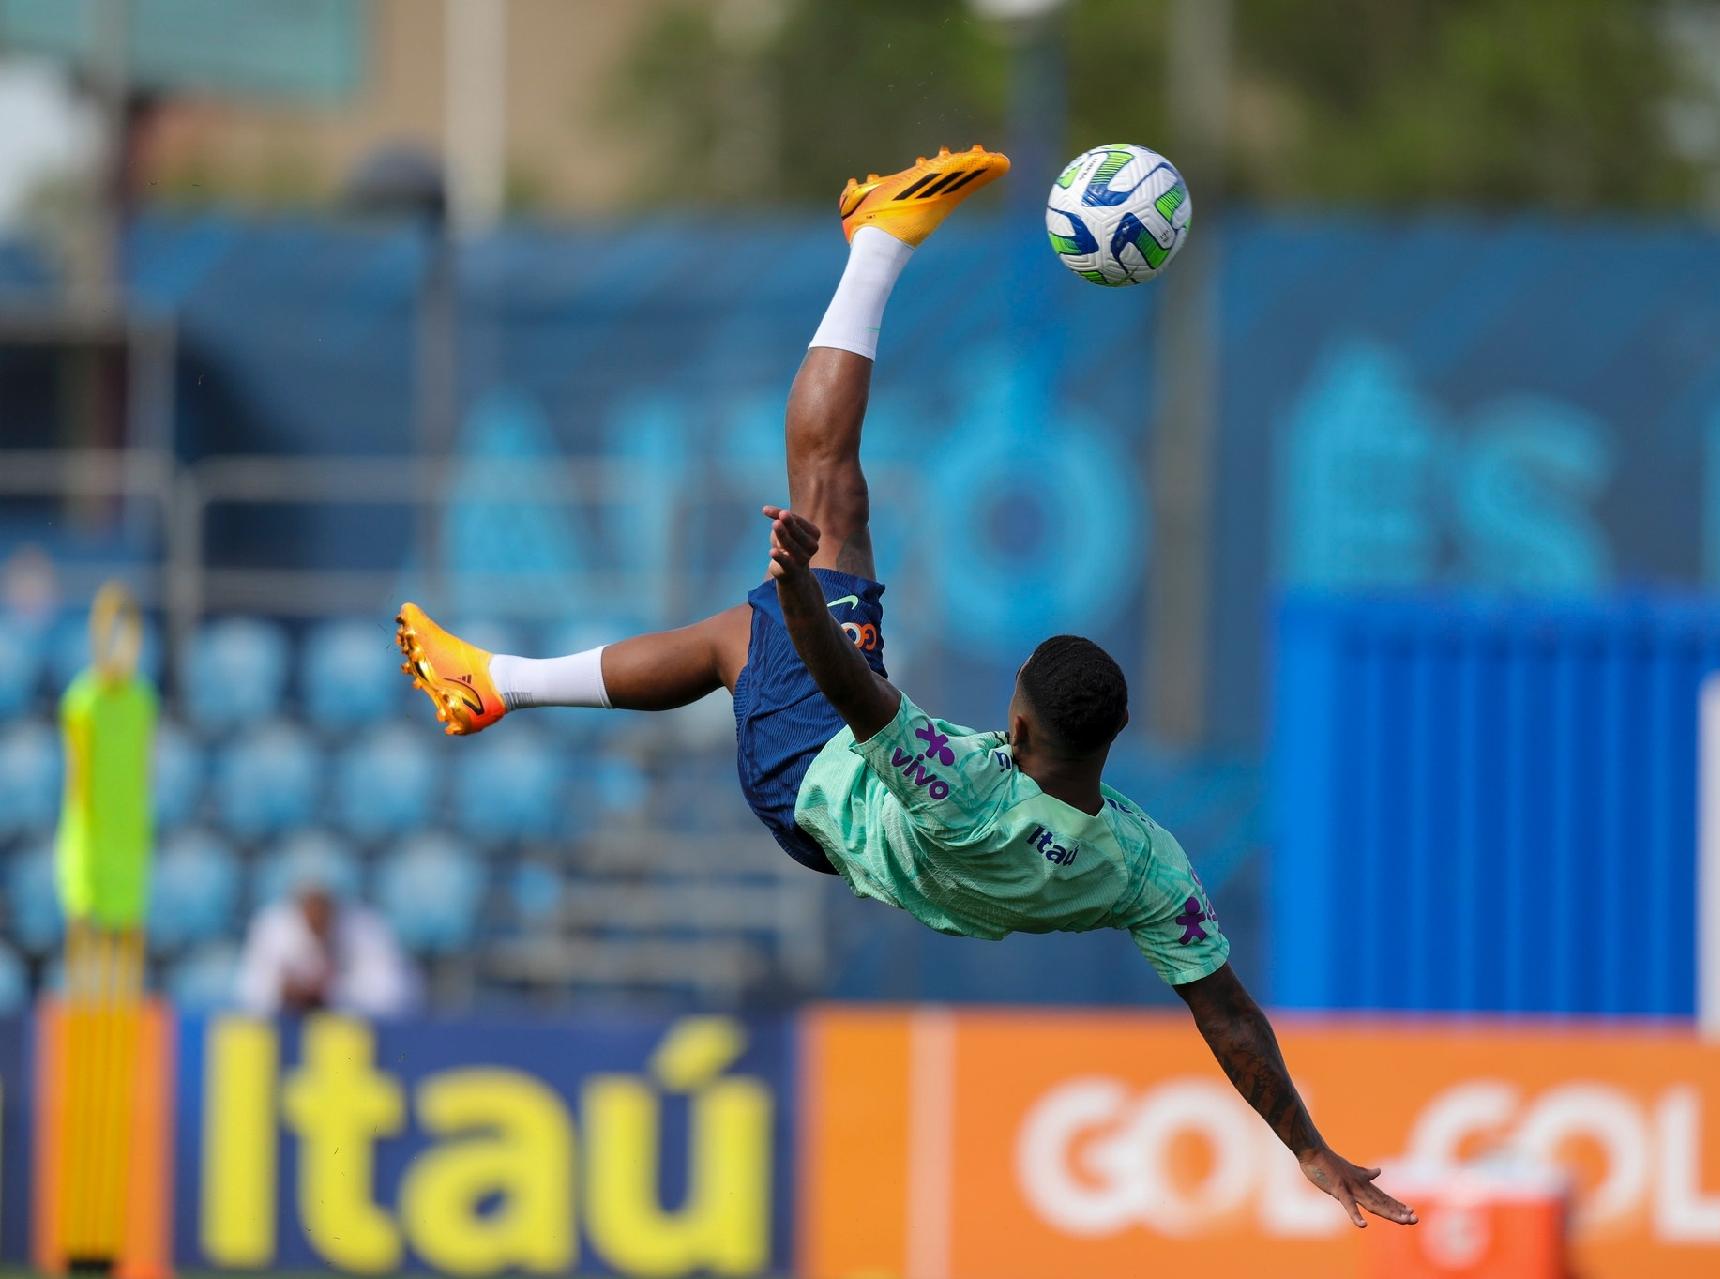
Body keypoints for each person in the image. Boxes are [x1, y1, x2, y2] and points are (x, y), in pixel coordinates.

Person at [395, 145, 1414, 1228]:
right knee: (730, 638)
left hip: (812, 770)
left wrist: (798, 587)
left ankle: (880, 237)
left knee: (827, 495)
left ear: (1017, 725)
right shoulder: (1145, 866)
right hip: (842, 827)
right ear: (1102, 745)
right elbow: (1227, 1012)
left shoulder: (966, 789)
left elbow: (852, 693)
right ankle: (491, 683)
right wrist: (1308, 1147)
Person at [236, 879, 417, 1018]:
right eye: (310, 912)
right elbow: (248, 992)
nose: (318, 919)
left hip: (350, 1036)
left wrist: (332, 992)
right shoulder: (272, 927)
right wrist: (283, 992)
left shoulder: (366, 929)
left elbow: (391, 994)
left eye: (324, 911)